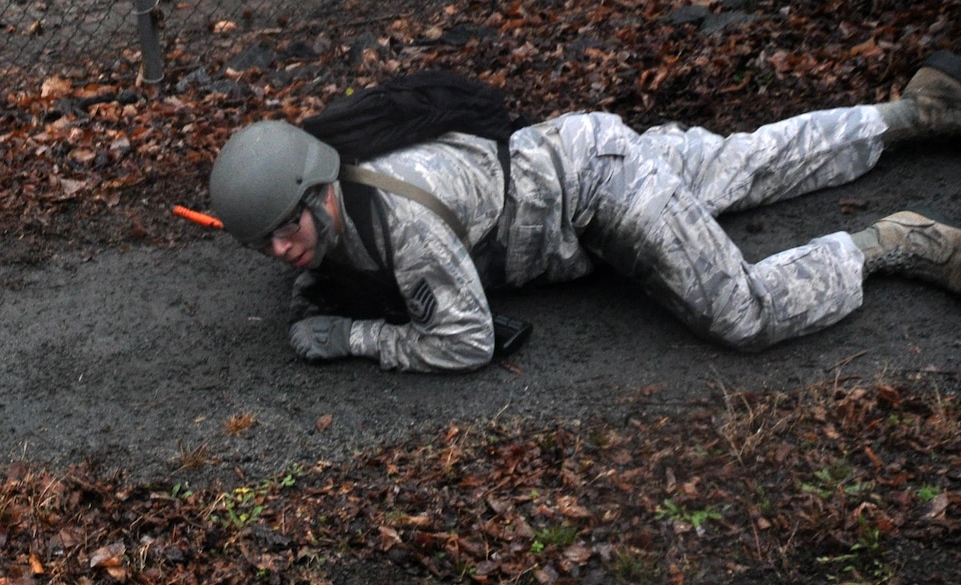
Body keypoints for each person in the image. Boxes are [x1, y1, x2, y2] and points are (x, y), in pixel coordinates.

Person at [206, 53, 961, 371]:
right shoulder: (341, 182)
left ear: (318, 190)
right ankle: (914, 112)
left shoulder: (400, 219)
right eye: (264, 243)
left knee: (744, 314)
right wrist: (318, 276)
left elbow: (463, 342)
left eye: (287, 229)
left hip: (600, 192)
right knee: (751, 162)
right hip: (580, 145)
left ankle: (894, 242)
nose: (280, 251)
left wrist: (354, 337)